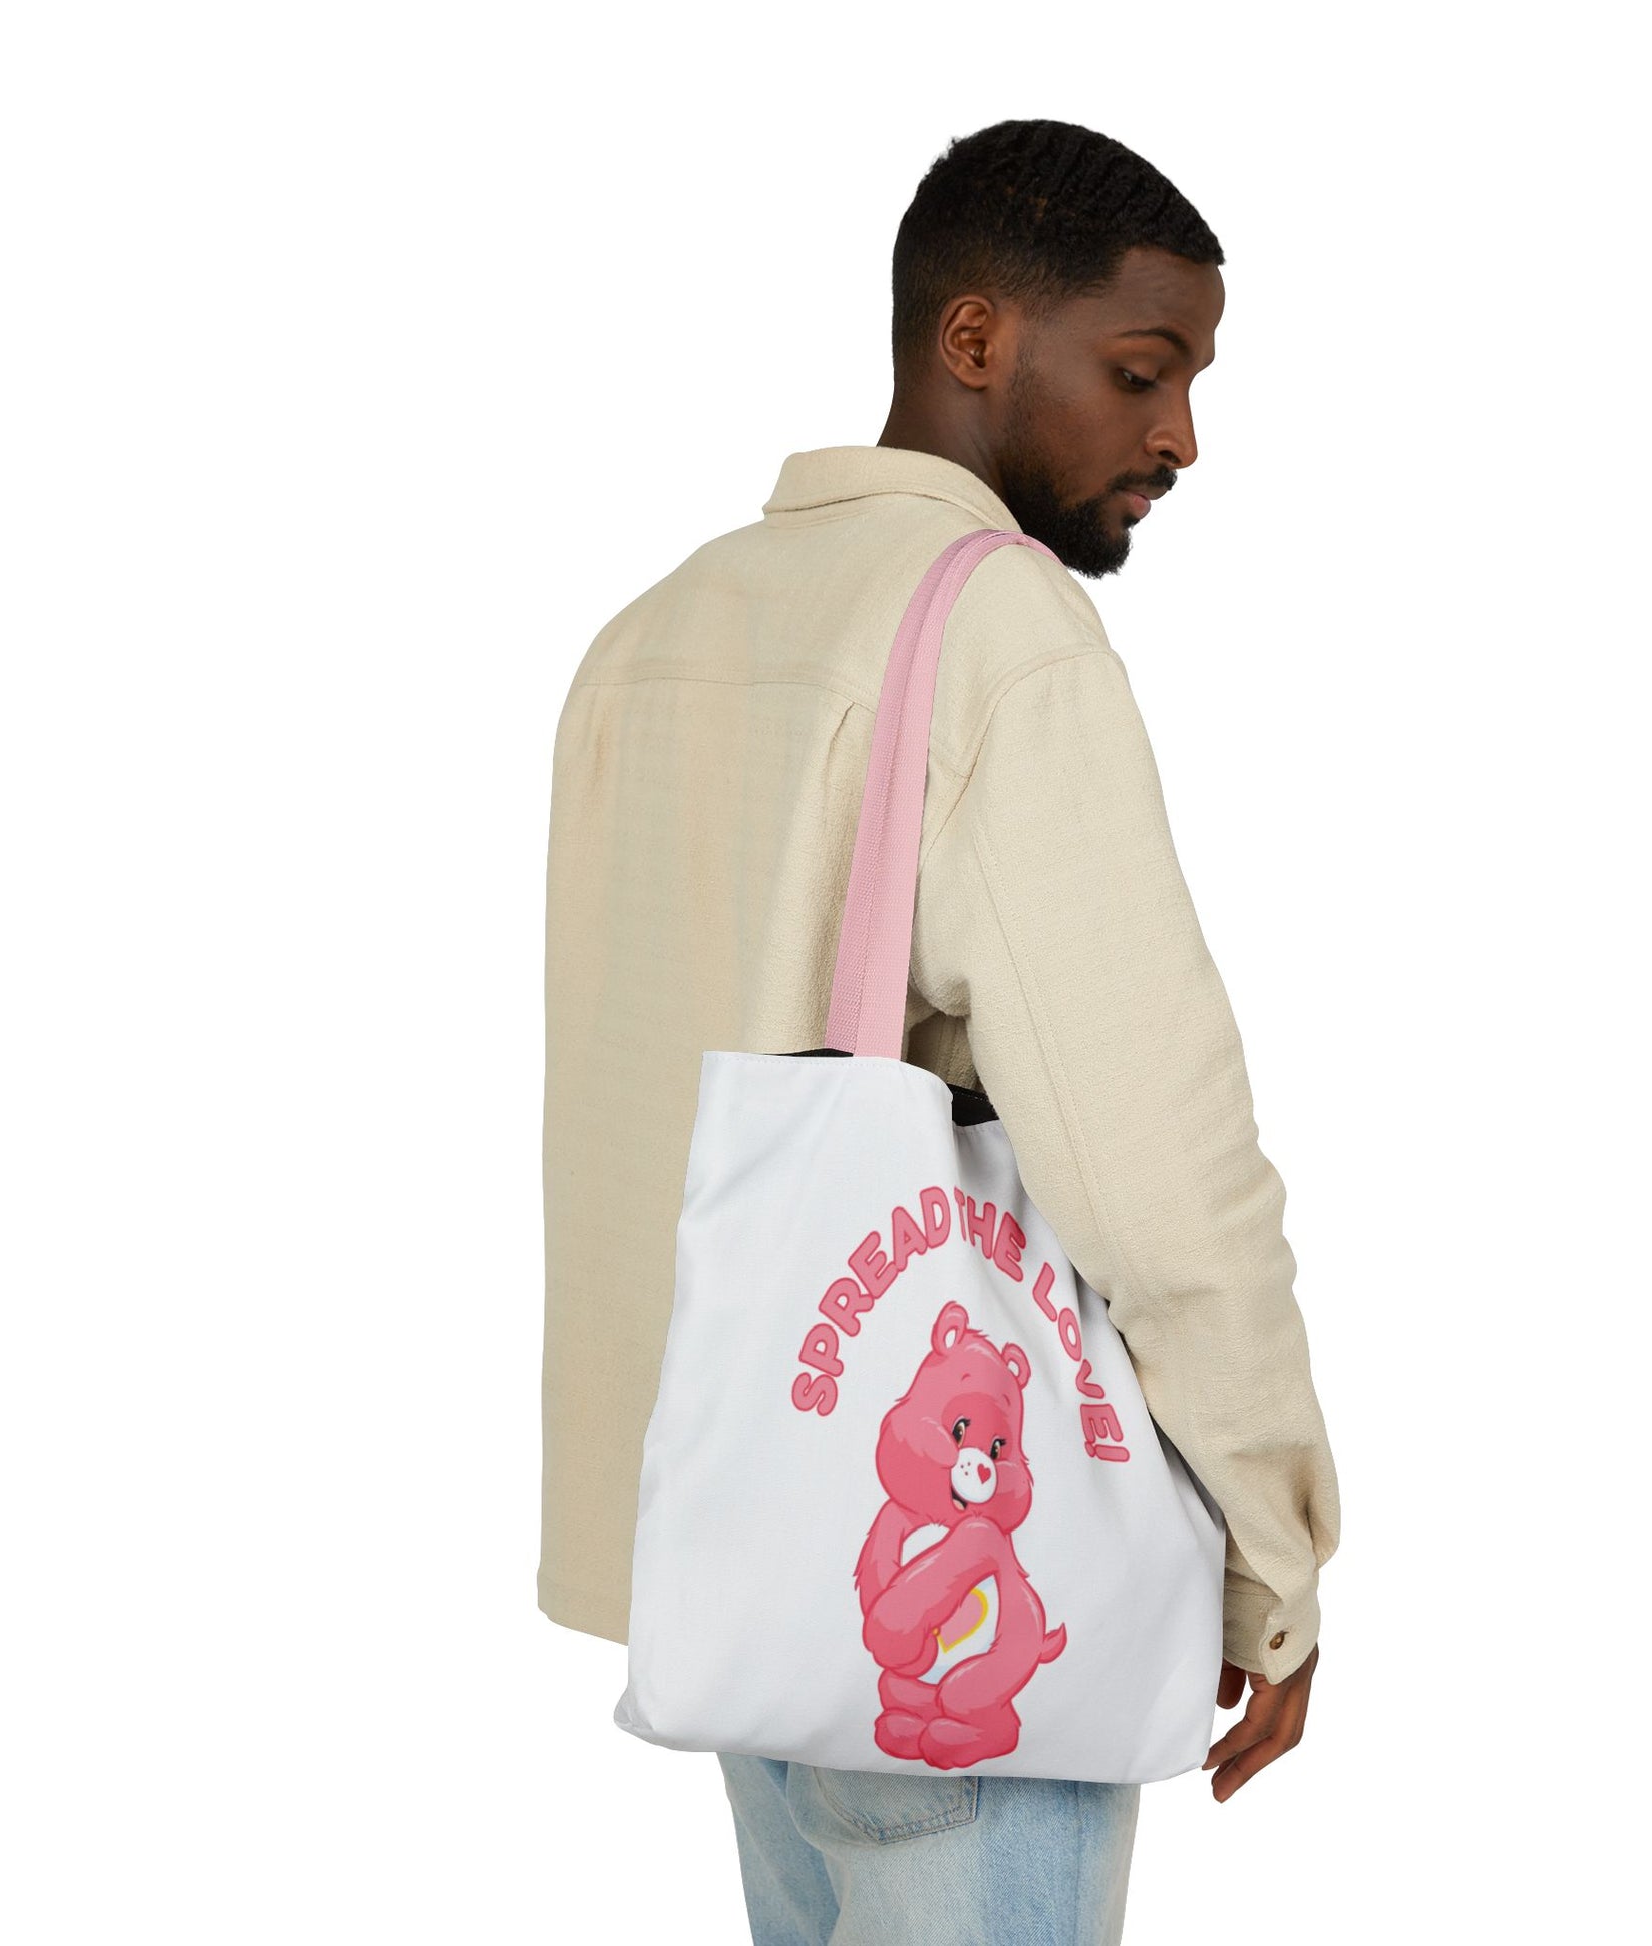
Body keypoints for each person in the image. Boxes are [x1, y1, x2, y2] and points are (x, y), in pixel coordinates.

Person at [541, 117, 1340, 1943]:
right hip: (965, 1580)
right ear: (972, 338)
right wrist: (1274, 1546)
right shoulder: (997, 636)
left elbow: (613, 1102)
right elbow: (1157, 1160)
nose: (1180, 436)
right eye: (1141, 371)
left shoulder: (654, 631)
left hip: (737, 1546)